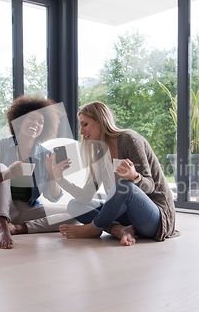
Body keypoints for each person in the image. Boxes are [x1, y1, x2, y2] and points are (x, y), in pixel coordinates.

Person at [54, 101, 179, 246]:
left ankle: (94, 228)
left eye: (85, 124)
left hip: (155, 218)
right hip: (127, 217)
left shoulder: (130, 140)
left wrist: (135, 177)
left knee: (123, 186)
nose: (81, 131)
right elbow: (86, 196)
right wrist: (59, 179)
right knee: (74, 205)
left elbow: (150, 186)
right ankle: (117, 229)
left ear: (101, 121)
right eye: (80, 126)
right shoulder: (99, 154)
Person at [0, 96, 77, 249]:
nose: (35, 123)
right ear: (18, 121)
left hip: (26, 210)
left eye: (40, 122)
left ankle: (19, 228)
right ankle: (3, 225)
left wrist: (53, 176)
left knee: (75, 213)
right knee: (1, 168)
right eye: (30, 118)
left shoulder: (45, 155)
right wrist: (7, 175)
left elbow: (53, 196)